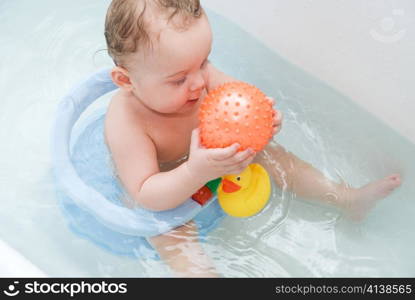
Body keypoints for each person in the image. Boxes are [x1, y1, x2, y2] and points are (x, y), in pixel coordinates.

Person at [103, 0, 401, 277]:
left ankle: (345, 198)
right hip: (167, 184)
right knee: (166, 231)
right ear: (126, 80)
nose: (198, 82)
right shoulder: (126, 122)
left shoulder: (195, 72)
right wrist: (195, 172)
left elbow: (238, 96)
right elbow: (146, 192)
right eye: (179, 79)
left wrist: (261, 120)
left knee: (273, 154)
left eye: (204, 62)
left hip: (214, 159)